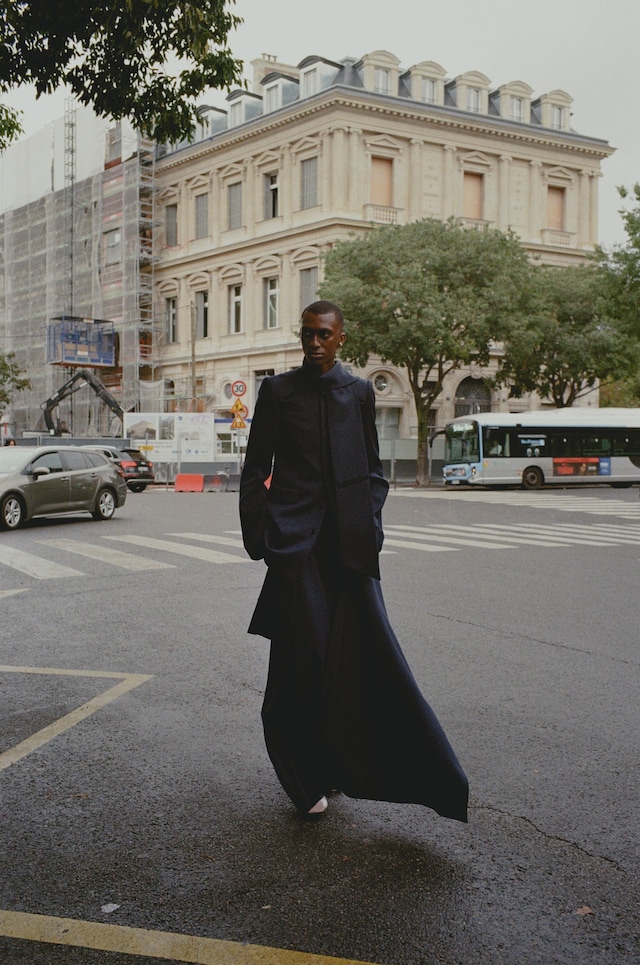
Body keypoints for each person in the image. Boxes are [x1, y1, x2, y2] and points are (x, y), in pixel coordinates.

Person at [239, 300, 468, 822]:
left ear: (341, 338)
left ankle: (357, 768)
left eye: (324, 334)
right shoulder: (278, 392)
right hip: (295, 551)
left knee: (359, 663)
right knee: (298, 664)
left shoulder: (359, 392)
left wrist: (371, 527)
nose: (314, 342)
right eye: (307, 333)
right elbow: (254, 471)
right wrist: (263, 538)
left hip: (350, 552)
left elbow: (372, 471)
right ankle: (302, 779)